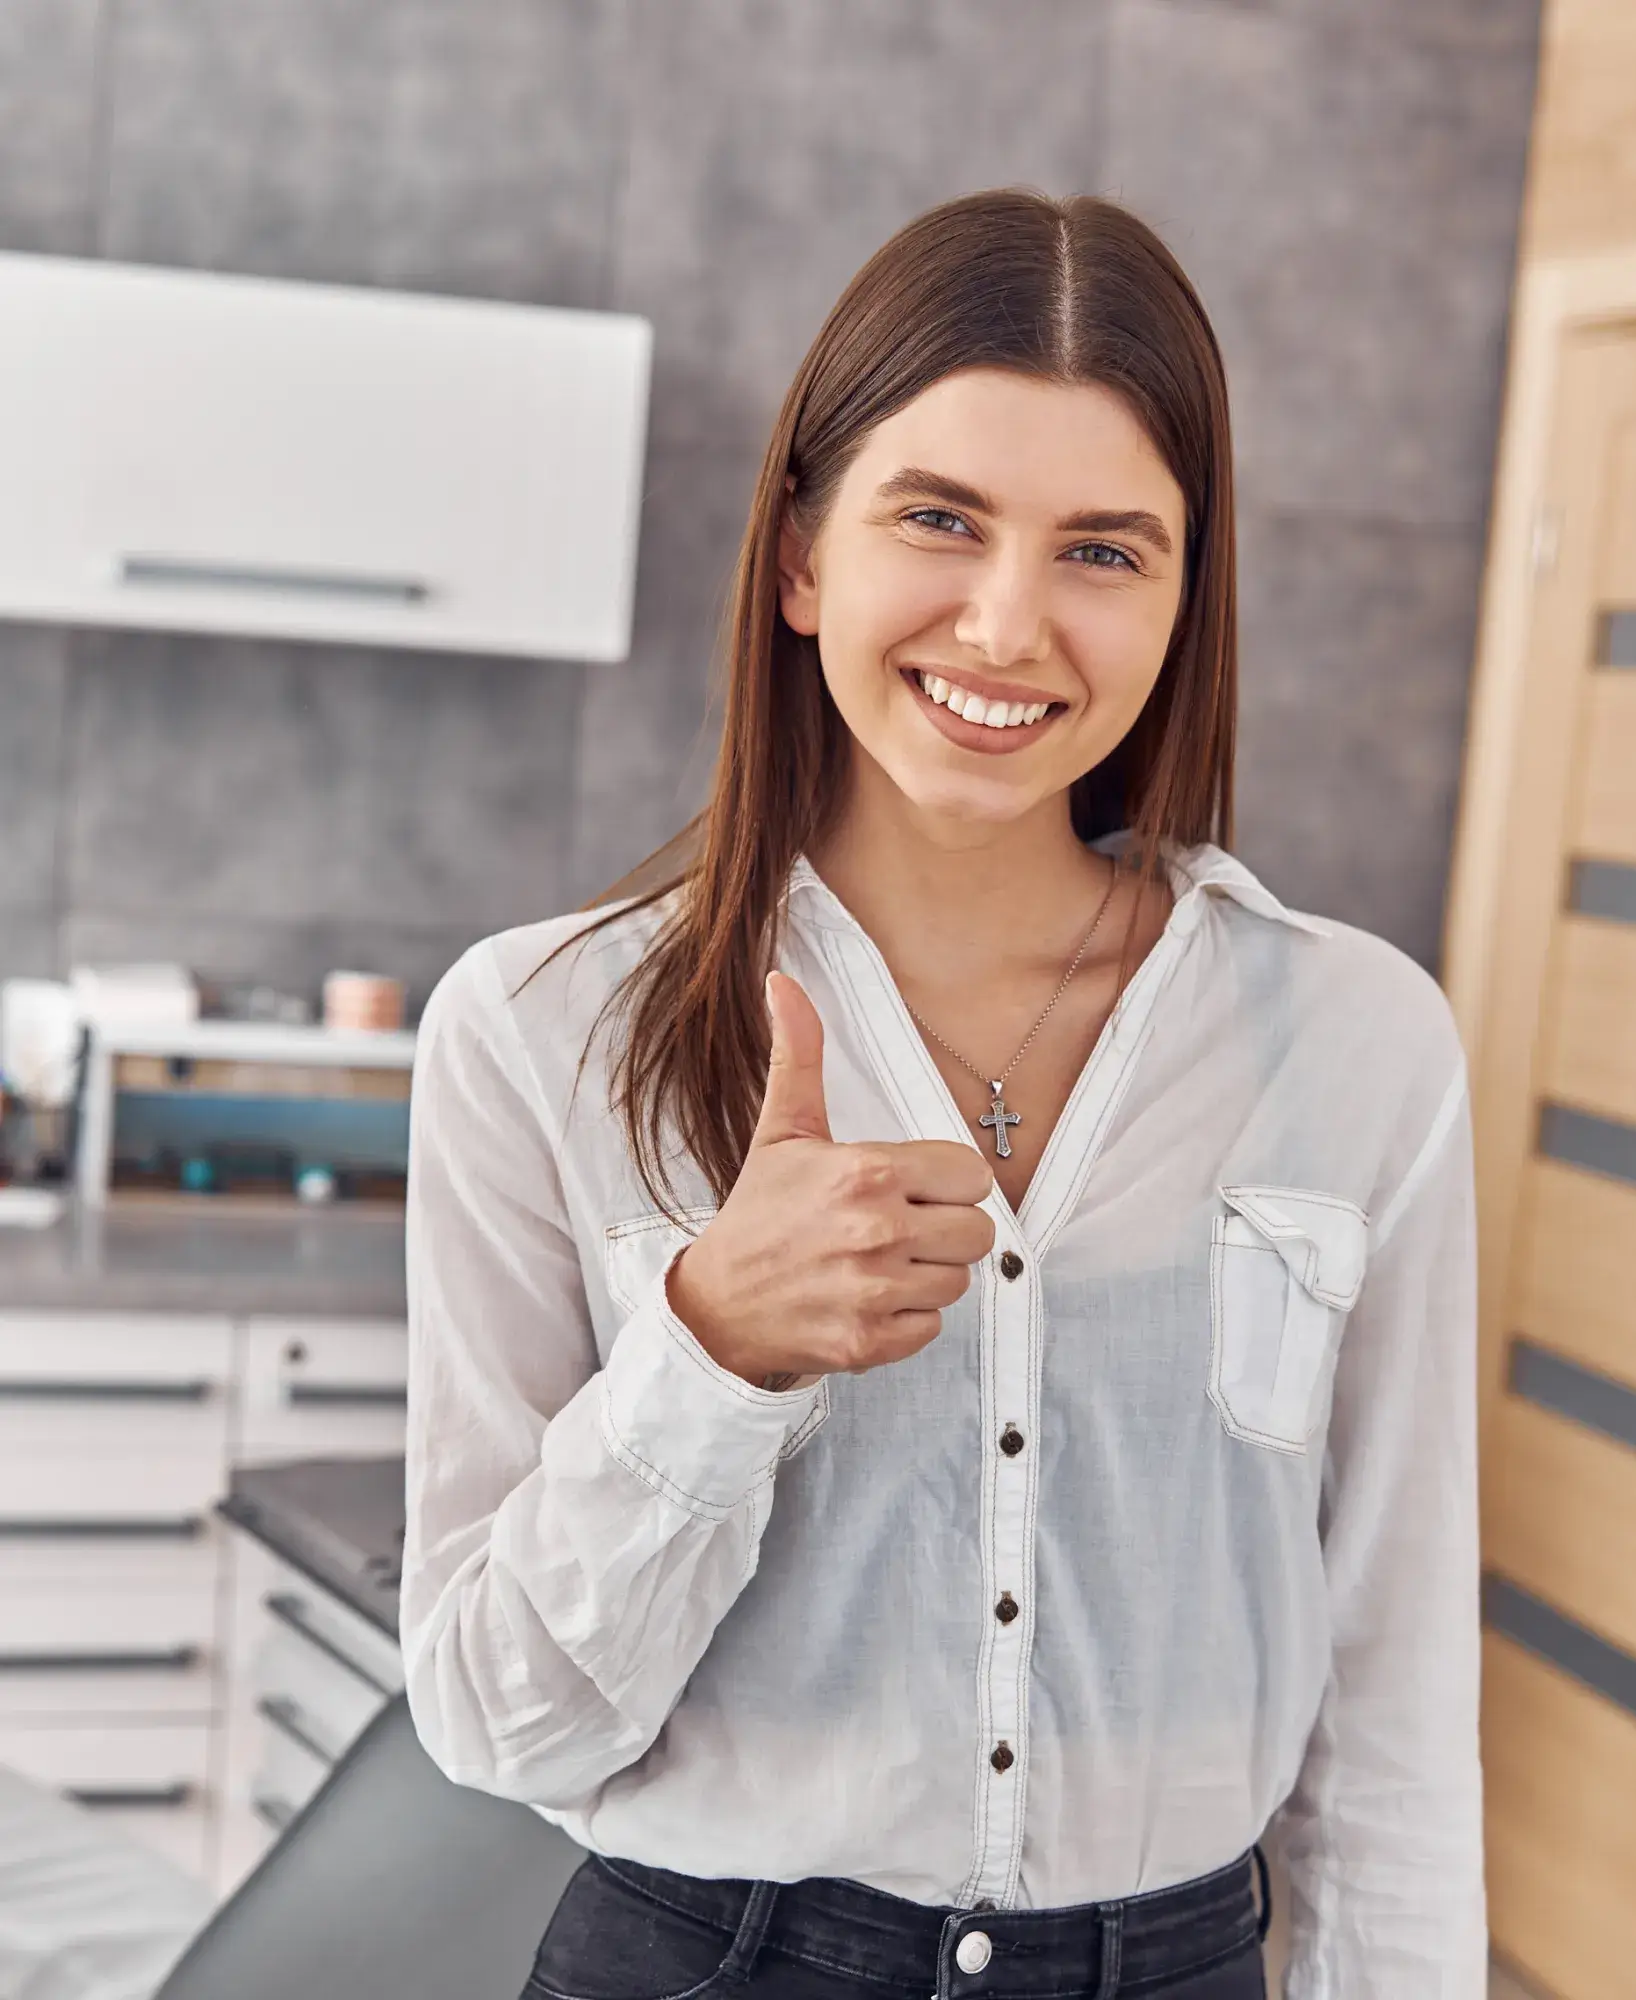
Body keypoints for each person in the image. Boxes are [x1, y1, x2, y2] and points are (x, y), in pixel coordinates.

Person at [400, 187, 1485, 2000]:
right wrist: (715, 1351)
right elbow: (497, 1725)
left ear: (1180, 599)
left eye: (1105, 551)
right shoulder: (540, 1027)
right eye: (941, 519)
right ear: (805, 554)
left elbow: (1391, 1692)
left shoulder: (1357, 1044)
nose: (1008, 625)